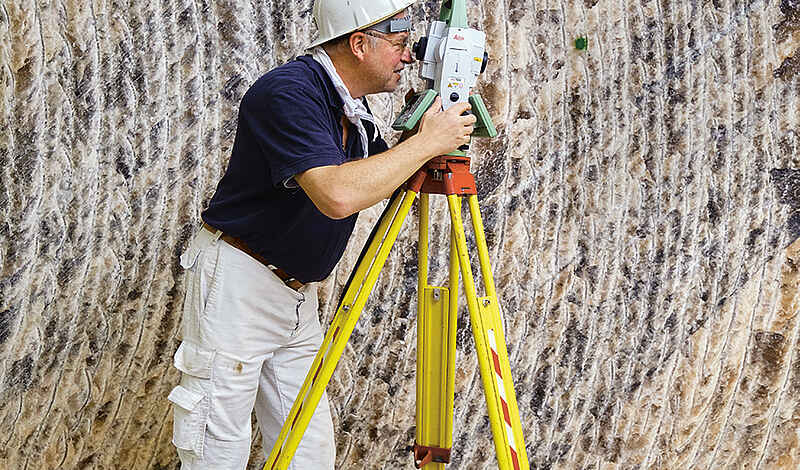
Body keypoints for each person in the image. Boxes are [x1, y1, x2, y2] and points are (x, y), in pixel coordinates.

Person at [168, 0, 476, 468]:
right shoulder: (289, 93)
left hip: (295, 297)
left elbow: (380, 178)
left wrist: (424, 138)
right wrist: (426, 142)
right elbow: (336, 194)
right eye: (399, 45)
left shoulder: (351, 108)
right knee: (216, 449)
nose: (410, 57)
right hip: (238, 287)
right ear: (358, 43)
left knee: (308, 453)